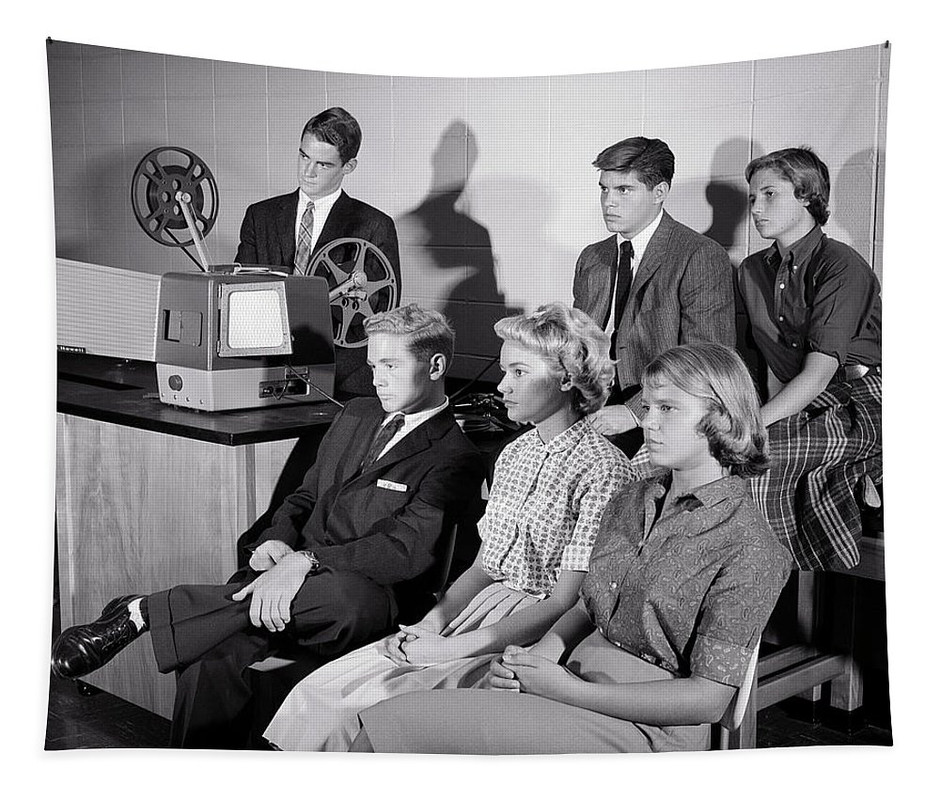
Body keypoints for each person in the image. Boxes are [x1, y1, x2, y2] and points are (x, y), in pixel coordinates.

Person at [51, 304, 486, 749]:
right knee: (208, 658)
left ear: (435, 366)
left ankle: (146, 611)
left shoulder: (456, 456)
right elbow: (304, 497)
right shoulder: (356, 412)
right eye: (374, 365)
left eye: (391, 365)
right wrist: (278, 541)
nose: (377, 379)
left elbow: (404, 550)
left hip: (363, 596)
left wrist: (306, 561)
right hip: (289, 579)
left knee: (343, 599)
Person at [349, 343, 792, 755]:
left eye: (668, 409)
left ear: (722, 419)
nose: (649, 422)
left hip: (644, 723)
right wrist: (536, 659)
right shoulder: (633, 499)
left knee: (387, 730)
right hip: (567, 678)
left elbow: (708, 701)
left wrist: (563, 687)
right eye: (649, 407)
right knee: (378, 718)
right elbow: (587, 605)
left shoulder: (750, 546)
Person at [262, 303, 639, 751]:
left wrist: (451, 650)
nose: (502, 386)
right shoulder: (515, 455)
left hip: (535, 632)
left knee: (366, 719)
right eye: (504, 371)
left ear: (567, 378)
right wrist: (430, 625)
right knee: (318, 696)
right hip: (471, 612)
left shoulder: (605, 470)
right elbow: (482, 568)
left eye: (519, 373)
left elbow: (568, 599)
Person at [736, 147, 882, 571]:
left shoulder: (842, 265)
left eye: (770, 195)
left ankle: (762, 590)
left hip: (862, 398)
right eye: (752, 199)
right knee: (714, 454)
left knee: (760, 460)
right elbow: (775, 369)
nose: (757, 209)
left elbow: (818, 376)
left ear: (806, 196)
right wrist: (758, 420)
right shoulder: (751, 271)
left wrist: (755, 426)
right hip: (804, 401)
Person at [573, 137, 735, 455]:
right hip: (591, 403)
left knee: (591, 467)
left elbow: (706, 360)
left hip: (660, 411)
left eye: (623, 190)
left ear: (659, 192)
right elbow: (576, 344)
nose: (609, 202)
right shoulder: (593, 256)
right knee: (509, 454)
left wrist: (636, 411)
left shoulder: (699, 255)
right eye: (604, 188)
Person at [234, 106, 401, 396]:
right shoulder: (260, 216)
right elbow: (241, 291)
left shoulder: (375, 226)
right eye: (303, 156)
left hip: (343, 378)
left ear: (348, 167)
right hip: (266, 369)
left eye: (323, 164)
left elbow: (380, 314)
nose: (308, 171)